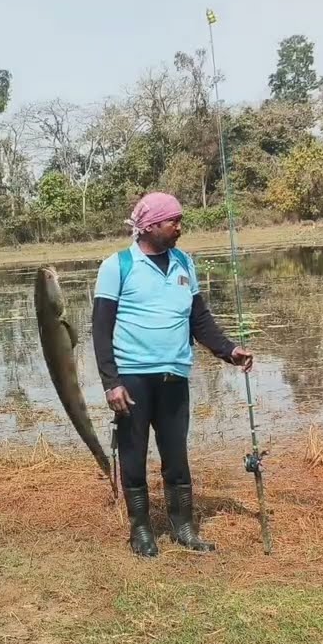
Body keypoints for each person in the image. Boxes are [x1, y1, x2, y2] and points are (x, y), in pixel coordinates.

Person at [91, 192, 254, 558]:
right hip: (132, 379)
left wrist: (229, 350)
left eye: (180, 221)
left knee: (176, 456)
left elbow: (199, 319)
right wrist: (111, 383)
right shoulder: (117, 266)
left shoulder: (184, 263)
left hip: (174, 377)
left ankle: (184, 527)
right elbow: (101, 331)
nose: (180, 228)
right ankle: (141, 531)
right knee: (133, 456)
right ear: (150, 226)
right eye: (173, 222)